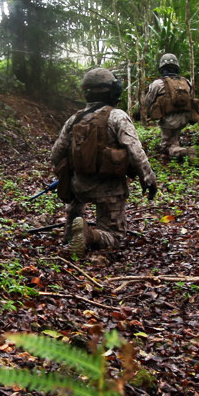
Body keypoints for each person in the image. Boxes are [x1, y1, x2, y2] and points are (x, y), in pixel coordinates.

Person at [51, 67, 157, 256]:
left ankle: (69, 233)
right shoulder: (117, 116)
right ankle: (90, 235)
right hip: (110, 188)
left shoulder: (74, 119)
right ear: (111, 91)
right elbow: (135, 152)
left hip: (79, 187)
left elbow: (55, 155)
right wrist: (148, 178)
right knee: (114, 235)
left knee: (75, 205)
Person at [138, 51, 199, 161]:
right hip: (184, 118)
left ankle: (183, 152)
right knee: (175, 136)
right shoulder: (186, 82)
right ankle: (176, 144)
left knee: (165, 147)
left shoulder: (158, 83)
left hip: (168, 120)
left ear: (162, 67)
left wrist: (142, 113)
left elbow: (148, 101)